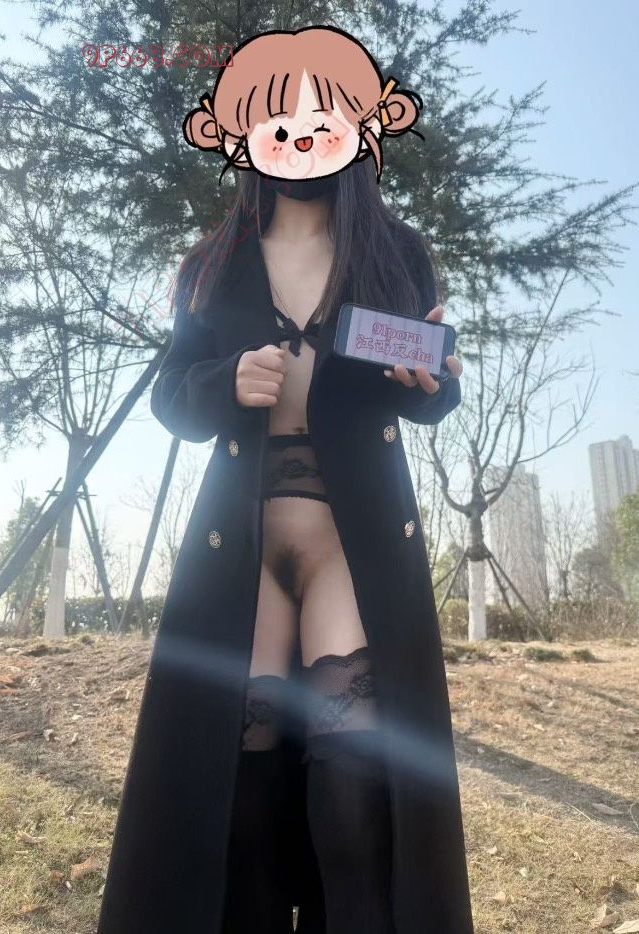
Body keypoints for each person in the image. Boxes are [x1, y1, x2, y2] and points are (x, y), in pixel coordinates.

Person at [97, 25, 474, 934]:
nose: (300, 139)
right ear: (243, 138)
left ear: (360, 129)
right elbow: (172, 399)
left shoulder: (396, 252)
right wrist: (223, 382)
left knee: (355, 790)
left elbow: (431, 387)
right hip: (241, 545)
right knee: (243, 790)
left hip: (353, 543)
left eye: (320, 121)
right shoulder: (212, 264)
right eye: (276, 124)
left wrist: (434, 382)